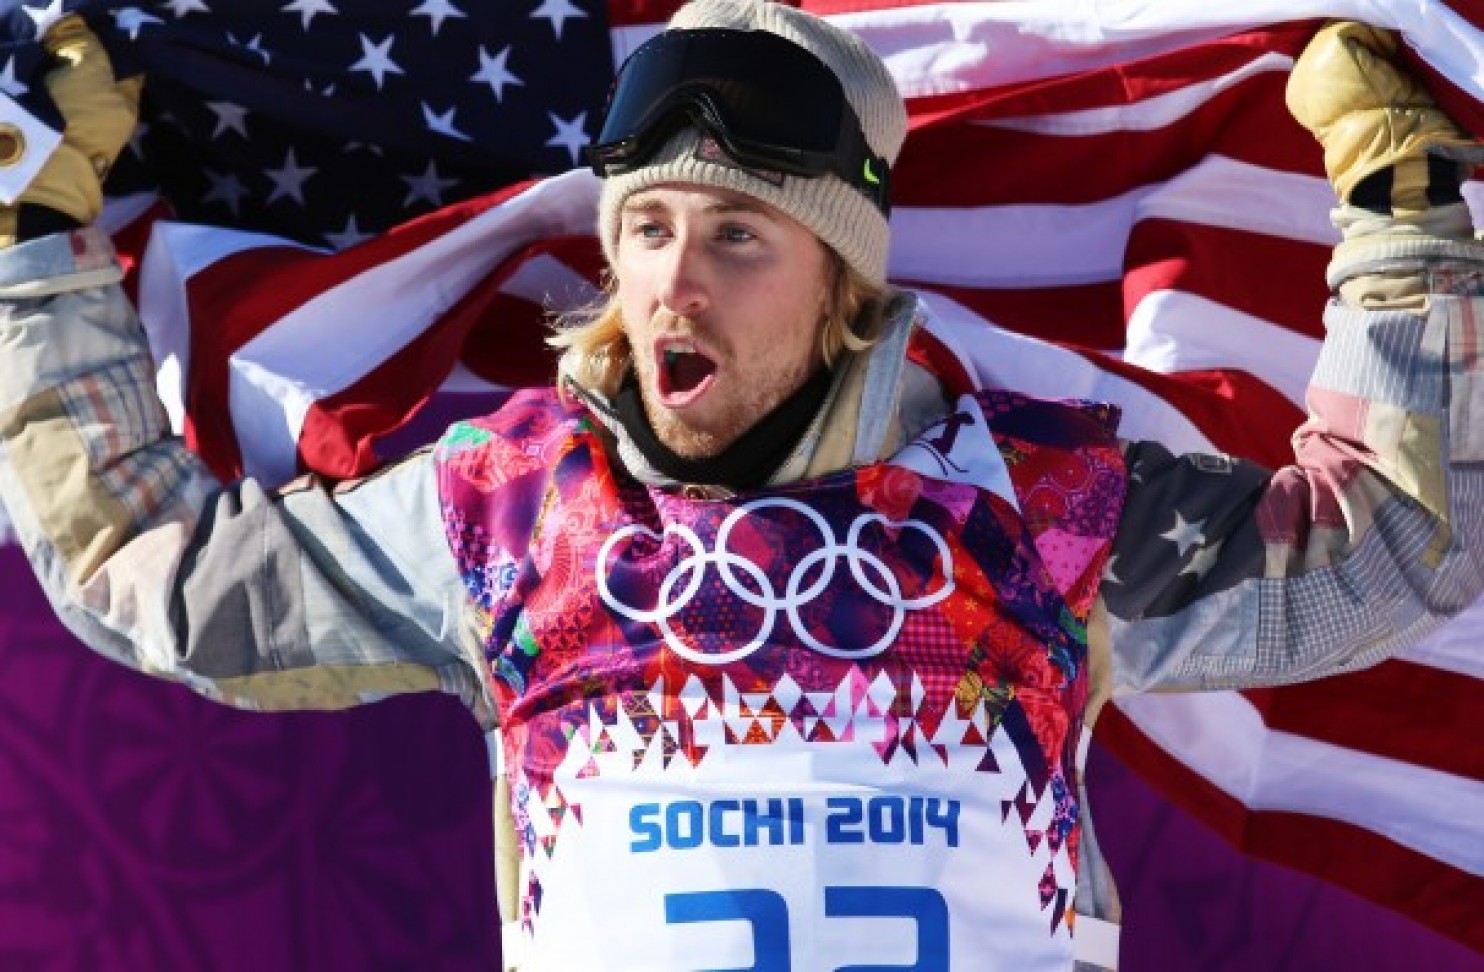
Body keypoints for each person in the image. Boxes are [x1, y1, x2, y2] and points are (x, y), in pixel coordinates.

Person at [1, 2, 1480, 969]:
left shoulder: (1034, 510)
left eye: (737, 239)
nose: (672, 285)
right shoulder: (501, 520)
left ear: (841, 277)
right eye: (643, 229)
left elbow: (1390, 547)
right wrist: (34, 255)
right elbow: (158, 571)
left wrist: (1410, 224)